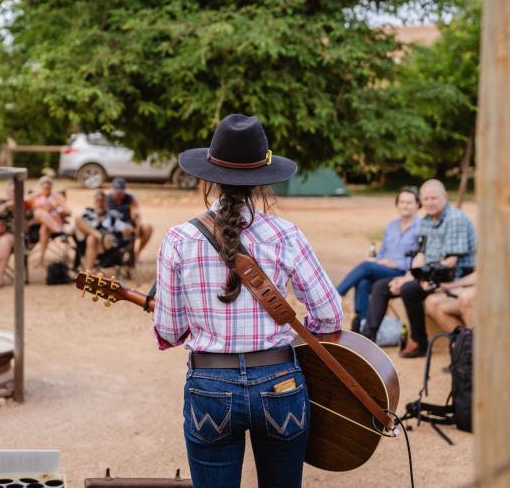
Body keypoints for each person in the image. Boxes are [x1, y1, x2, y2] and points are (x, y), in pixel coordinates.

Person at [154, 115, 342, 488]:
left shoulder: (178, 239)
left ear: (209, 176)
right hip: (280, 382)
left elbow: (170, 330)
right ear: (262, 178)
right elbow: (330, 316)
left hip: (210, 382)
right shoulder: (286, 234)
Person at [363, 179, 475, 358]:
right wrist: (406, 276)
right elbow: (421, 256)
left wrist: (419, 279)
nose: (429, 202)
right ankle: (368, 339)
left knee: (409, 290)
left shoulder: (455, 219)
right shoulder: (426, 221)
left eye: (434, 198)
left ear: (445, 197)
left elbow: (451, 261)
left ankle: (419, 342)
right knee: (381, 286)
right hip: (432, 272)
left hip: (454, 276)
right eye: (426, 199)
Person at [336, 186, 421, 331]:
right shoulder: (391, 226)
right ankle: (361, 325)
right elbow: (381, 253)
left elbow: (420, 259)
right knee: (363, 282)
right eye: (401, 202)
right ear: (397, 204)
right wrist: (381, 262)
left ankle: (336, 295)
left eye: (409, 202)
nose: (405, 205)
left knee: (366, 267)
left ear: (417, 205)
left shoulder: (421, 227)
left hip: (404, 273)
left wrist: (395, 263)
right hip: (383, 269)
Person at [75, 191, 133, 271]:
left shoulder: (112, 216)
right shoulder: (87, 213)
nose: (100, 203)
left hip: (104, 246)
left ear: (106, 202)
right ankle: (99, 235)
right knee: (79, 220)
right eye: (98, 201)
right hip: (84, 243)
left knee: (92, 239)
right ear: (94, 201)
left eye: (102, 201)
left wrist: (121, 233)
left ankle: (87, 273)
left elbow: (126, 229)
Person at [27, 175, 70, 267]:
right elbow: (22, 202)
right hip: (36, 224)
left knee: (44, 229)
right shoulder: (36, 196)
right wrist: (34, 195)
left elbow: (68, 212)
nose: (47, 188)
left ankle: (41, 260)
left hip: (49, 224)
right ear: (41, 186)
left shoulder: (56, 197)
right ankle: (59, 230)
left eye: (49, 187)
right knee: (39, 213)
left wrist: (56, 208)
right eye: (44, 187)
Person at [107, 177, 153, 259]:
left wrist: (137, 229)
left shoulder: (130, 198)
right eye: (117, 192)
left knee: (148, 228)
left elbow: (135, 214)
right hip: (112, 226)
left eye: (121, 192)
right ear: (112, 189)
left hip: (127, 224)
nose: (119, 195)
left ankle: (136, 254)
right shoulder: (106, 198)